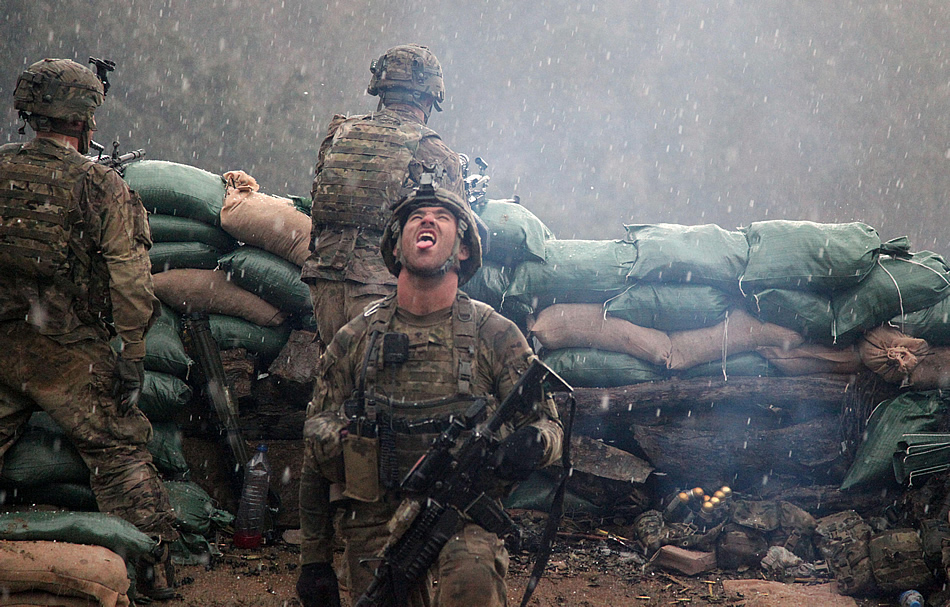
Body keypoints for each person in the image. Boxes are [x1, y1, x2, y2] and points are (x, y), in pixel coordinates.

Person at [296, 177, 563, 607]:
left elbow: (548, 426)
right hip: (375, 519)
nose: (427, 221)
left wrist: (533, 443)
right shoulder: (356, 339)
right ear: (396, 248)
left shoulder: (494, 334)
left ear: (462, 250)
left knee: (471, 581)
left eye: (442, 218)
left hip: (463, 517)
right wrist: (314, 561)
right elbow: (314, 449)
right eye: (415, 218)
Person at [0, 58, 178, 599]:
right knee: (121, 453)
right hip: (68, 350)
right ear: (85, 121)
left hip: (3, 341)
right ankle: (150, 571)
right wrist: (134, 351)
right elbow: (130, 279)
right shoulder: (100, 185)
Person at [301, 43, 467, 346]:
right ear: (430, 96)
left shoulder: (340, 133)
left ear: (381, 88)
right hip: (380, 291)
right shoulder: (436, 152)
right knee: (384, 387)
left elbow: (317, 210)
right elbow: (450, 246)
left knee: (336, 382)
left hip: (325, 284)